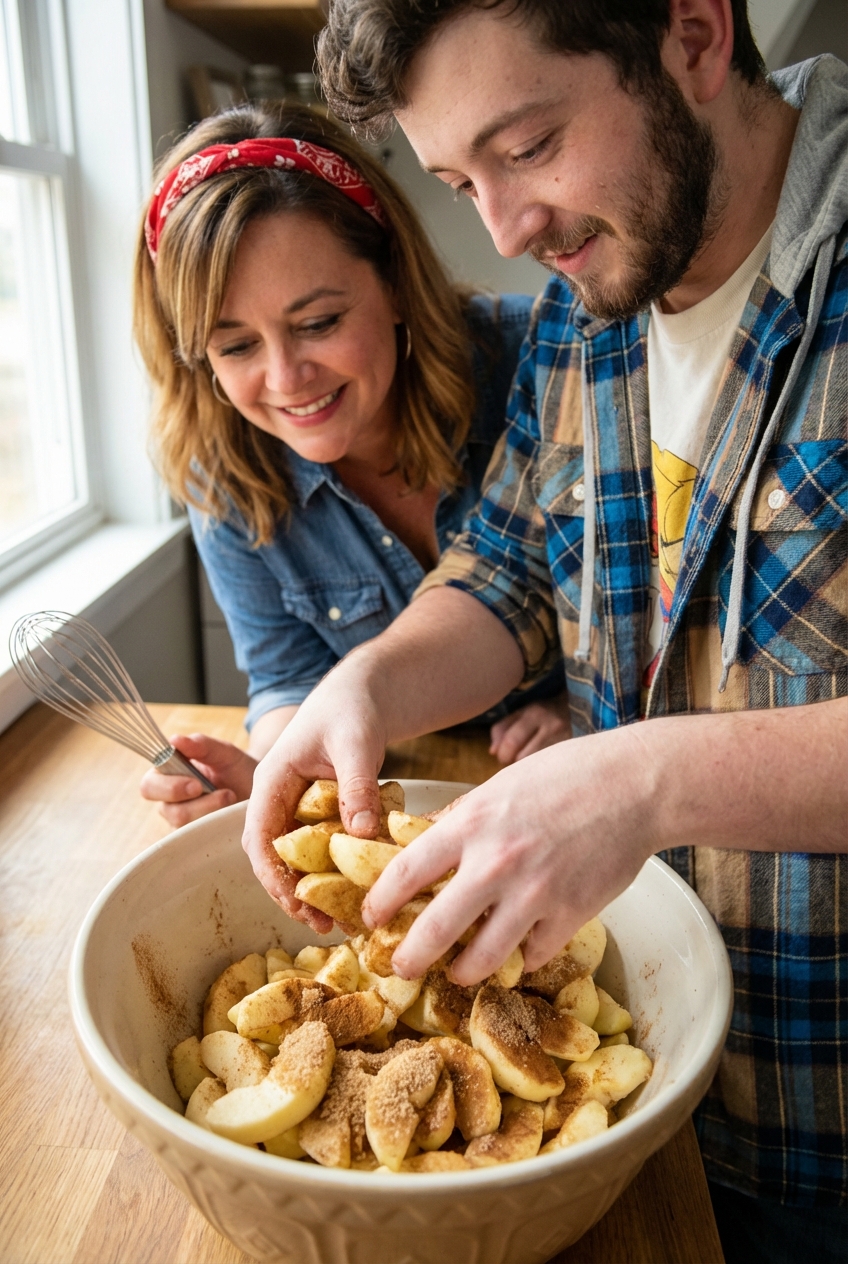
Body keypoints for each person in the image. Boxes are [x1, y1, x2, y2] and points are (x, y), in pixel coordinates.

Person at [241, 3, 847, 1261]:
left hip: (825, 1123)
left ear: (690, 36)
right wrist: (367, 681)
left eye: (528, 147)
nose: (507, 232)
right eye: (462, 180)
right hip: (641, 1113)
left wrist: (638, 779)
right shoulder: (593, 286)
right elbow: (510, 564)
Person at [133, 103, 570, 827]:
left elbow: (652, 606)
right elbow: (286, 680)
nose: (286, 377)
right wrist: (275, 767)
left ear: (396, 282)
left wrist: (581, 707)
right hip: (418, 785)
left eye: (317, 324)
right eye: (235, 345)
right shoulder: (222, 470)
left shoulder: (538, 358)